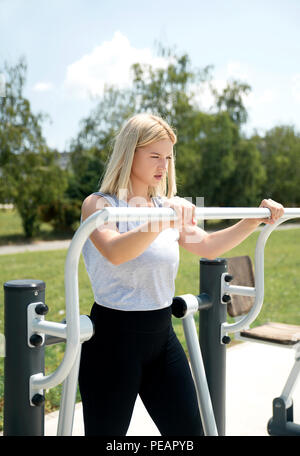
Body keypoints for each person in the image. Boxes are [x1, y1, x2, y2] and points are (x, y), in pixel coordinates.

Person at [78, 113, 284, 436]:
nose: (164, 165)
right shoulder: (99, 204)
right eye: (155, 156)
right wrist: (162, 219)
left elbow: (209, 245)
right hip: (113, 344)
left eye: (169, 157)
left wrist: (254, 220)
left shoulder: (166, 206)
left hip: (161, 338)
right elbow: (116, 252)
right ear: (130, 153)